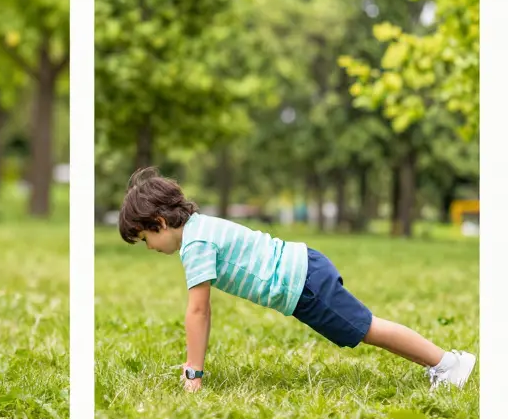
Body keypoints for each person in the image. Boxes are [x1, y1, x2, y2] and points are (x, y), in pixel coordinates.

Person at [119, 167, 476, 392]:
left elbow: (199, 311)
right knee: (367, 328)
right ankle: (443, 364)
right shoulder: (201, 227)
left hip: (304, 284)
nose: (149, 247)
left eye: (144, 239)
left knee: (368, 328)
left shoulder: (195, 243)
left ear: (160, 223)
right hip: (305, 270)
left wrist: (194, 372)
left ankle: (448, 364)